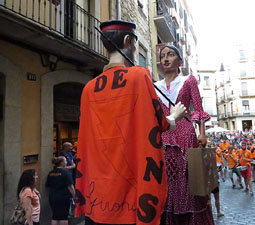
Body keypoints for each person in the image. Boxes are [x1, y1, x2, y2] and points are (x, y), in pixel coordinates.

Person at [75, 20, 187, 225]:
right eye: (135, 43)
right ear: (129, 41)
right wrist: (174, 117)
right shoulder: (139, 76)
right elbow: (155, 123)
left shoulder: (88, 88)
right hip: (130, 201)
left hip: (97, 200)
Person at [155, 45, 214, 225]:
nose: (165, 58)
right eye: (163, 55)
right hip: (165, 134)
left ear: (180, 61)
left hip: (186, 134)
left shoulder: (189, 81)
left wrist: (202, 133)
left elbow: (198, 109)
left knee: (189, 176)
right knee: (167, 176)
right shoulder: (154, 86)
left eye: (170, 55)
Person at [46, 156, 75, 225]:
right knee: (63, 217)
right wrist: (74, 196)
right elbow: (70, 186)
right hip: (63, 197)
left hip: (52, 197)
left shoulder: (51, 173)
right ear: (62, 163)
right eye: (65, 161)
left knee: (55, 216)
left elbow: (48, 185)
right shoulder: (66, 173)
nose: (66, 162)